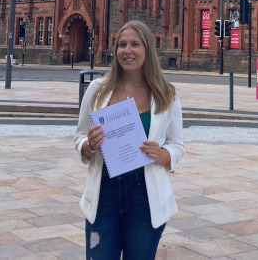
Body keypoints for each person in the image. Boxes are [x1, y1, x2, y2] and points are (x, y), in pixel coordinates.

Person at [75, 20, 184, 259]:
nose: (127, 50)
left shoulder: (166, 94)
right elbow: (80, 137)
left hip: (144, 196)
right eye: (122, 44)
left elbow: (177, 145)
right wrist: (89, 146)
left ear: (147, 50)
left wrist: (162, 154)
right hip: (104, 194)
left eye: (135, 44)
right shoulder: (97, 90)